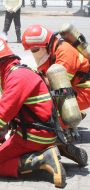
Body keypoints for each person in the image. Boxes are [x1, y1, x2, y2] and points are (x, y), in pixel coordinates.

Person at [0, 36, 66, 188]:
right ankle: (54, 148)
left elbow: (2, 113)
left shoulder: (17, 77)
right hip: (40, 129)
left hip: (35, 134)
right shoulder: (17, 72)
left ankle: (43, 159)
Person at [22, 24, 89, 166]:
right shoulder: (51, 50)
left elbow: (58, 84)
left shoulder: (65, 52)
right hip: (77, 86)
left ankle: (66, 128)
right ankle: (69, 122)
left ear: (44, 44)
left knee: (49, 112)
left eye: (34, 49)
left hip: (85, 90)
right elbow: (44, 74)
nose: (33, 53)